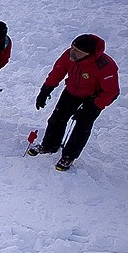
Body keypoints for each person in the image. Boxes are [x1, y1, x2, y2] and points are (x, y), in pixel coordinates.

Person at [28, 34, 119, 171]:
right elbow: (58, 71)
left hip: (93, 99)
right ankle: (49, 145)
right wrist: (46, 89)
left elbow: (112, 92)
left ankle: (69, 156)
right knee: (57, 118)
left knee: (82, 126)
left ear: (88, 54)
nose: (72, 52)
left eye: (77, 51)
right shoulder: (69, 55)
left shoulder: (105, 66)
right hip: (71, 91)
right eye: (72, 47)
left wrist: (92, 108)